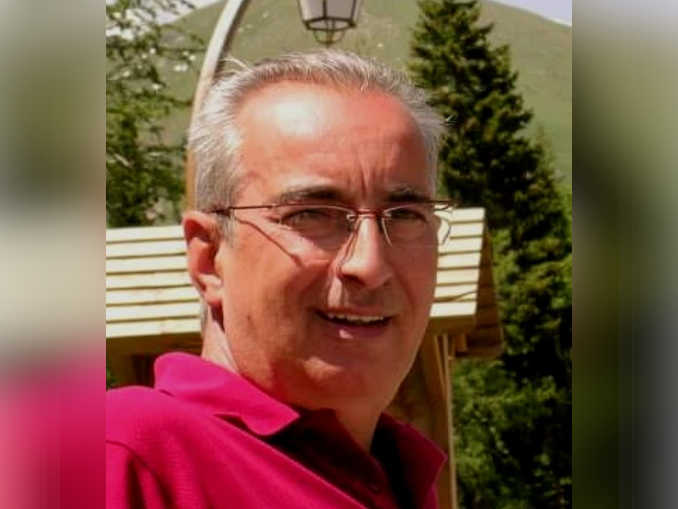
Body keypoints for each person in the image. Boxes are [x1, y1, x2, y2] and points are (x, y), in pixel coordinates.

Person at [107, 49, 453, 509]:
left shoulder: (402, 480)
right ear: (209, 258)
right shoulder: (123, 455)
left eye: (405, 214)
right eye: (313, 214)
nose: (369, 265)